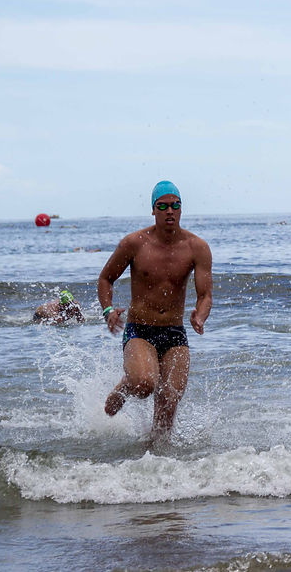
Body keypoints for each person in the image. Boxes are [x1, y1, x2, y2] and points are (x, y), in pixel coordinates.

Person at [97, 181, 213, 439]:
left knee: (169, 401)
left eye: (175, 205)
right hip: (140, 331)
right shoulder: (134, 243)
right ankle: (125, 387)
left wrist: (200, 315)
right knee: (143, 384)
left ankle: (155, 459)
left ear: (181, 209)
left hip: (175, 333)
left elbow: (205, 295)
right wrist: (107, 311)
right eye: (163, 206)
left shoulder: (197, 247)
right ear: (153, 210)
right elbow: (105, 279)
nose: (169, 211)